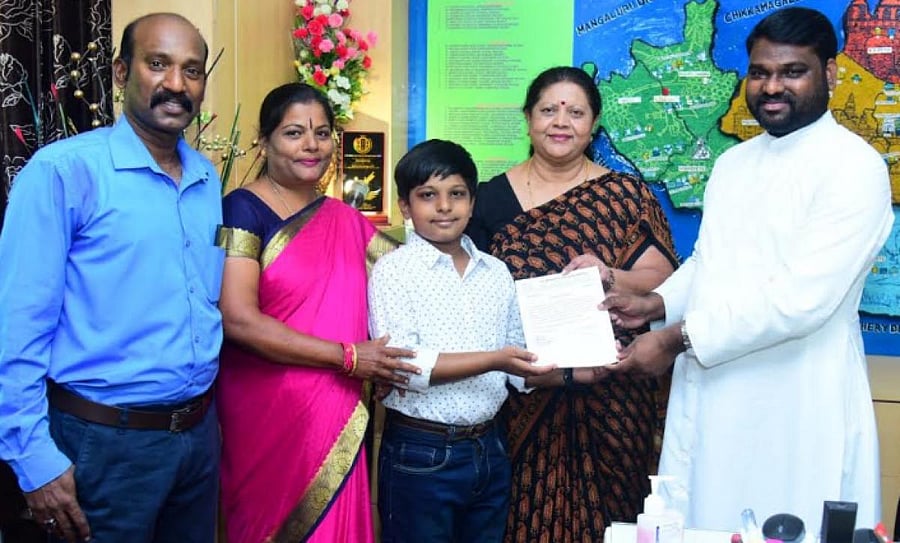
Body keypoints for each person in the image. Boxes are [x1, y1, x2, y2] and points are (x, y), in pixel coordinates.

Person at [602, 7, 894, 533]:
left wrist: (672, 340)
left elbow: (800, 302)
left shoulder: (854, 168)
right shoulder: (734, 164)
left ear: (830, 73)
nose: (771, 86)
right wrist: (656, 304)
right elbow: (712, 262)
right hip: (712, 390)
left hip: (796, 401)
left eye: (792, 71)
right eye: (760, 72)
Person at [0, 12, 223, 543]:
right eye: (158, 64)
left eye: (192, 71)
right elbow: (16, 327)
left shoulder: (205, 178)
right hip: (100, 442)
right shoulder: (64, 172)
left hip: (195, 440)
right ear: (121, 73)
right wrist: (32, 459)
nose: (176, 84)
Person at [466, 66, 678, 542]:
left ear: (595, 124)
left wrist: (609, 273)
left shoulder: (626, 195)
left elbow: (661, 276)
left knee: (612, 519)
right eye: (548, 110)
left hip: (612, 392)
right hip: (521, 391)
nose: (561, 122)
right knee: (522, 514)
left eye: (576, 112)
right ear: (527, 119)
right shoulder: (486, 200)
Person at [215, 82, 420, 543]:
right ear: (264, 140)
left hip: (337, 406)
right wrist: (349, 358)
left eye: (322, 133)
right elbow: (238, 318)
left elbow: (412, 276)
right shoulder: (239, 211)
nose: (312, 145)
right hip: (268, 411)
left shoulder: (346, 220)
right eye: (294, 133)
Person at [368, 139, 555, 543]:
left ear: (472, 202)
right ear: (405, 206)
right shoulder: (394, 271)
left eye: (456, 194)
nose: (444, 207)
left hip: (490, 446)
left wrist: (578, 363)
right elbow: (406, 365)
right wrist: (496, 360)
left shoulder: (497, 272)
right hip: (422, 452)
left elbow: (519, 364)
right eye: (427, 196)